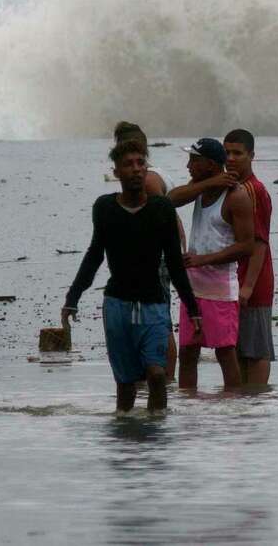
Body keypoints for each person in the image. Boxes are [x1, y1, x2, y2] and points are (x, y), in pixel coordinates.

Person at [61, 138, 200, 412]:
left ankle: (157, 431)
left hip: (154, 305)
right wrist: (72, 298)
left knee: (157, 375)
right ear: (116, 173)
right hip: (117, 306)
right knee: (125, 385)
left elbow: (174, 263)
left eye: (141, 163)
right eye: (128, 164)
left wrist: (193, 308)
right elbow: (94, 255)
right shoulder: (105, 208)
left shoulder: (162, 209)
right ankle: (125, 436)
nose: (136, 169)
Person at [167, 138, 255, 390]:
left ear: (210, 164)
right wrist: (209, 182)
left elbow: (246, 246)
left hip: (220, 290)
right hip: (192, 288)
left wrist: (202, 260)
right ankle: (189, 411)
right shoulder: (200, 187)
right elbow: (170, 199)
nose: (188, 165)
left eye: (194, 160)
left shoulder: (237, 196)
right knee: (187, 353)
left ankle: (233, 410)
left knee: (225, 354)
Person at [112, 121, 185, 377]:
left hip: (158, 258)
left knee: (160, 320)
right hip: (158, 256)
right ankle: (161, 378)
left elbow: (166, 219)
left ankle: (166, 379)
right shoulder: (151, 174)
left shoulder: (150, 181)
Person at [221, 129, 277, 384]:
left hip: (253, 282)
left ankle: (256, 403)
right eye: (227, 152)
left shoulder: (254, 190)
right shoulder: (231, 188)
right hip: (235, 280)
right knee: (239, 350)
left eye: (237, 153)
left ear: (251, 156)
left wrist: (248, 287)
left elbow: (260, 242)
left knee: (256, 350)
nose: (231, 158)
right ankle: (245, 409)